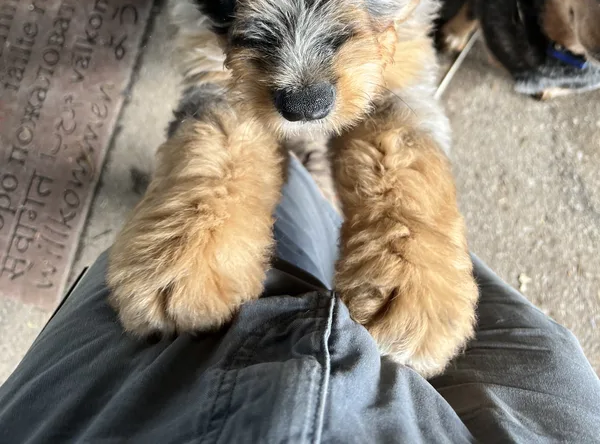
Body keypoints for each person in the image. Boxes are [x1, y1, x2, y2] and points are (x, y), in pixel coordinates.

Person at [0, 155, 599, 444]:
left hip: (142, 385)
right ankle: (326, 191)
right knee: (412, 267)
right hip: (536, 434)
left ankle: (302, 178)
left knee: (250, 166)